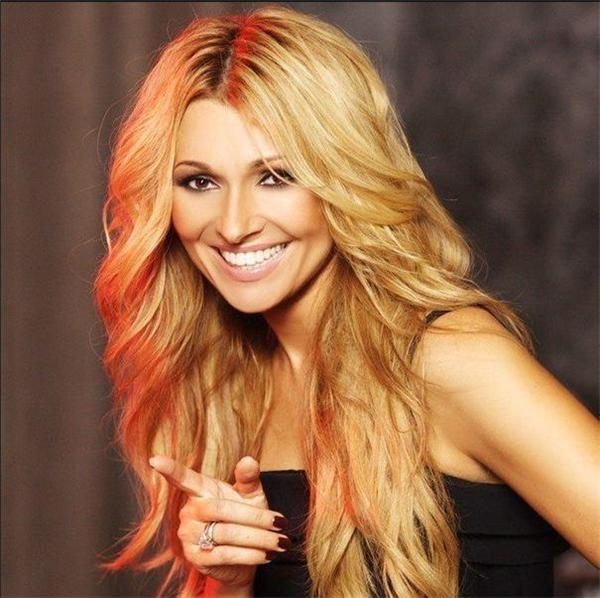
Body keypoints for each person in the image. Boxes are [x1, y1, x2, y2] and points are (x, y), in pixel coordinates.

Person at [95, 5, 599, 597]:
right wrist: (226, 580)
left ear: (345, 177)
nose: (232, 225)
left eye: (276, 177)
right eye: (199, 182)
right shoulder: (225, 382)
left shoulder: (448, 362)